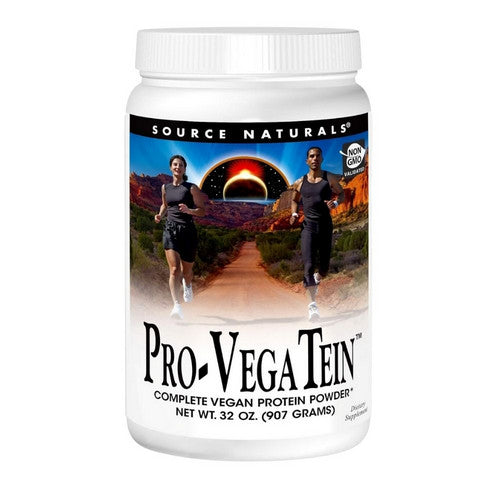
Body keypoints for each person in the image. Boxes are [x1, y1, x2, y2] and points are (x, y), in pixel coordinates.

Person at [290, 146, 343, 321]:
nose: (315, 158)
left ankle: (317, 278)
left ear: (321, 159)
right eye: (311, 156)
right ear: (307, 160)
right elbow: (294, 200)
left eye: (317, 155)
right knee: (308, 265)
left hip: (325, 226)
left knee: (324, 268)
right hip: (308, 227)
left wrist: (335, 203)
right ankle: (312, 306)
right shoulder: (300, 182)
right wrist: (294, 214)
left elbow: (341, 194)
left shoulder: (330, 178)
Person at [154, 155, 206, 319]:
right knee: (175, 269)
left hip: (188, 231)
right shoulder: (165, 187)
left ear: (184, 169)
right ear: (171, 167)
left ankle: (188, 284)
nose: (178, 167)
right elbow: (165, 205)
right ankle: (176, 306)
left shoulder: (191, 188)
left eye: (181, 165)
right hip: (170, 229)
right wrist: (160, 215)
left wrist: (189, 211)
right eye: (175, 164)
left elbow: (202, 211)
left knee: (186, 271)